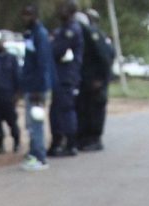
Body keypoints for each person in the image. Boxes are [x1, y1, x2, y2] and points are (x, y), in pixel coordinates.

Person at [18, 3, 54, 172]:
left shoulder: (40, 34)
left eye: (28, 15)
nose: (25, 18)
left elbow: (43, 64)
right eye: (23, 15)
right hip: (29, 86)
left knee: (37, 122)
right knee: (30, 124)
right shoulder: (29, 34)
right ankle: (33, 153)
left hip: (37, 88)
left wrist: (39, 90)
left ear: (35, 16)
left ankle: (40, 157)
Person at [47, 0, 84, 158]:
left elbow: (56, 50)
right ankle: (57, 141)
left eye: (63, 8)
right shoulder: (62, 29)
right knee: (56, 110)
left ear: (70, 11)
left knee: (65, 110)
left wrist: (51, 44)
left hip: (66, 76)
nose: (60, 11)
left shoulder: (71, 30)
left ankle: (70, 143)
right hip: (59, 75)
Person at [74, 10, 113, 152]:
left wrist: (100, 79)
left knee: (96, 110)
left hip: (97, 81)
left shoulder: (95, 35)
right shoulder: (85, 35)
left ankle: (95, 140)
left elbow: (105, 58)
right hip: (86, 80)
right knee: (84, 109)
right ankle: (84, 139)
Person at [0, 30, 22, 155]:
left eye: (0, 42)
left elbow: (17, 76)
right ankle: (0, 144)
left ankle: (16, 142)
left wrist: (17, 93)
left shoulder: (11, 58)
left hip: (8, 95)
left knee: (12, 121)